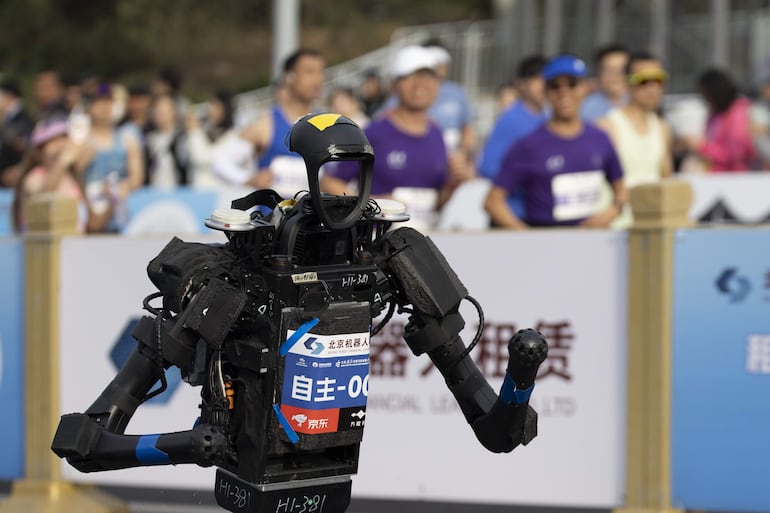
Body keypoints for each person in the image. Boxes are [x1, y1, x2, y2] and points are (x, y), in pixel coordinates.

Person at [321, 45, 474, 231]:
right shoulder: (375, 132)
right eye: (410, 77)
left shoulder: (437, 134)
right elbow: (330, 183)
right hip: (376, 244)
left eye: (427, 76)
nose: (420, 84)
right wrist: (371, 205)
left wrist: (453, 184)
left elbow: (436, 202)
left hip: (421, 244)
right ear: (394, 85)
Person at [484, 54, 627, 229]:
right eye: (555, 86)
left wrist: (610, 213)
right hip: (545, 240)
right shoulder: (529, 144)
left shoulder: (600, 138)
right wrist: (526, 237)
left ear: (585, 88)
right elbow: (493, 201)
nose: (564, 92)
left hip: (591, 243)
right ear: (545, 92)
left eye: (572, 84)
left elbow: (621, 191)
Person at [211, 48, 325, 197]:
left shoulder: (326, 124)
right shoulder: (266, 124)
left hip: (315, 219)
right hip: (273, 219)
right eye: (309, 72)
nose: (317, 79)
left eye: (320, 72)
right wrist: (248, 179)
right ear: (289, 77)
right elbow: (221, 163)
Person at [596, 51, 674, 228]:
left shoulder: (662, 129)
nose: (653, 88)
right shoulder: (608, 126)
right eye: (643, 81)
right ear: (627, 83)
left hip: (651, 229)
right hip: (615, 229)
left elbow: (665, 182)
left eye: (659, 80)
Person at [477, 55, 547, 220]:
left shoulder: (548, 118)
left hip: (538, 213)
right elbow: (487, 166)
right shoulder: (510, 119)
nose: (542, 85)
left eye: (546, 79)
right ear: (521, 84)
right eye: (536, 79)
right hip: (512, 213)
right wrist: (524, 178)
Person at [78, 84, 144, 232]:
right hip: (89, 211)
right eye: (99, 101)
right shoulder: (80, 141)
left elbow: (137, 178)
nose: (105, 107)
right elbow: (73, 178)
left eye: (108, 101)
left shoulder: (128, 140)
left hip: (120, 211)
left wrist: (123, 186)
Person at [13, 118, 90, 232]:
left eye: (63, 138)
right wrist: (62, 162)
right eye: (53, 141)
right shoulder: (33, 178)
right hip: (41, 247)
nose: (61, 145)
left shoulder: (71, 177)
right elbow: (42, 202)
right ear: (38, 152)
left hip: (73, 244)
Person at [680, 68, 757, 172]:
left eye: (705, 94)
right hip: (714, 177)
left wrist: (701, 146)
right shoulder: (714, 115)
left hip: (735, 179)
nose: (705, 99)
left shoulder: (738, 112)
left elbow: (735, 153)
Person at [186, 90, 239, 188]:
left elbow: (202, 158)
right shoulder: (204, 128)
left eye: (216, 105)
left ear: (226, 109)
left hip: (217, 195)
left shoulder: (232, 136)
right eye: (210, 104)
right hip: (196, 191)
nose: (210, 109)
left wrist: (194, 132)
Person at [144, 93, 190, 187]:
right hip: (153, 192)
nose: (160, 114)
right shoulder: (148, 139)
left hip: (178, 192)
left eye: (163, 111)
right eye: (157, 110)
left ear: (174, 112)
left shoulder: (183, 138)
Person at [581, 44, 630, 121]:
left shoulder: (640, 104)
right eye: (610, 70)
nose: (616, 76)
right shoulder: (584, 109)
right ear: (599, 73)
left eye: (622, 70)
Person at [0, 79, 34, 188]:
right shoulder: (8, 118)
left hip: (13, 180)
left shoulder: (23, 118)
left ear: (8, 96)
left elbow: (26, 145)